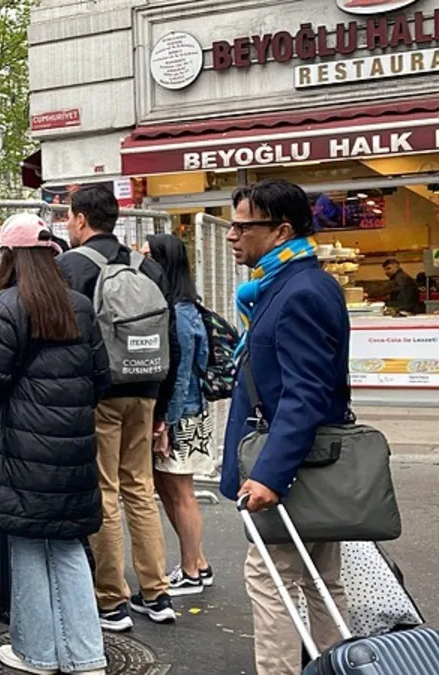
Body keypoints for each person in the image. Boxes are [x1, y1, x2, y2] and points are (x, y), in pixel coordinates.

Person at [0, 214, 110, 675]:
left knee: (29, 546)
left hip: (20, 448)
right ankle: (86, 653)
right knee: (69, 544)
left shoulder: (5, 306)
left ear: (11, 258)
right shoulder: (79, 305)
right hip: (73, 447)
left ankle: (37, 652)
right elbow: (101, 379)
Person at [223, 179, 350, 675]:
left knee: (271, 579)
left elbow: (307, 392)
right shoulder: (286, 285)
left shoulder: (299, 291)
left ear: (280, 232)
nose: (232, 235)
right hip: (304, 463)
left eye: (241, 226)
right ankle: (341, 666)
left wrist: (272, 475)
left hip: (289, 468)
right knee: (321, 580)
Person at [56, 185, 179, 630]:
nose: (67, 225)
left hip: (101, 392)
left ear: (83, 220)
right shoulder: (146, 266)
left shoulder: (70, 267)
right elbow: (172, 338)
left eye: (69, 218)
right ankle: (157, 592)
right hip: (147, 387)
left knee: (105, 491)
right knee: (140, 489)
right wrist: (162, 406)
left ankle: (112, 599)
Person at [143, 234, 215, 597]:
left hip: (180, 416)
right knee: (168, 488)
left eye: (148, 257)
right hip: (182, 413)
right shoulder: (184, 308)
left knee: (182, 492)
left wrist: (166, 424)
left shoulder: (180, 313)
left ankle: (191, 569)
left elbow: (182, 372)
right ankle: (197, 562)